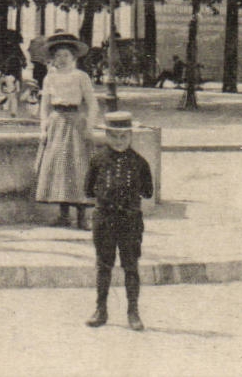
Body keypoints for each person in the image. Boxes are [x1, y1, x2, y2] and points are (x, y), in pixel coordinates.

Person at [83, 111, 154, 331]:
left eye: (124, 136)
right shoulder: (97, 160)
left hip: (130, 221)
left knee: (130, 266)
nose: (119, 141)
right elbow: (88, 190)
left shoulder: (140, 163)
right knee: (103, 266)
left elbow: (148, 191)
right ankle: (100, 310)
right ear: (106, 135)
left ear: (131, 135)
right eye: (114, 136)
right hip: (104, 219)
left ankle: (133, 312)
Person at [35, 32, 99, 229]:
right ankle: (63, 215)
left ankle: (82, 216)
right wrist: (43, 128)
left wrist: (89, 126)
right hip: (56, 123)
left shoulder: (81, 76)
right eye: (58, 55)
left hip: (75, 123)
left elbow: (93, 104)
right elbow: (44, 106)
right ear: (53, 58)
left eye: (66, 55)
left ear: (74, 57)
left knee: (78, 165)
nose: (61, 59)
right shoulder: (49, 78)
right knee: (59, 167)